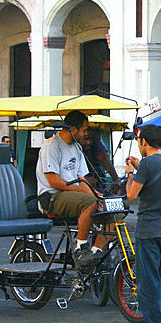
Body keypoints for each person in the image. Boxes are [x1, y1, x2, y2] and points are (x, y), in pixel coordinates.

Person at [124, 124, 161, 323]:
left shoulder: (146, 164)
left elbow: (131, 195)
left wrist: (130, 174)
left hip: (148, 227)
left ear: (144, 142)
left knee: (148, 280)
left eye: (139, 141)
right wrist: (140, 169)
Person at [36, 111, 104, 270]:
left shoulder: (76, 148)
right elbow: (54, 181)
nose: (87, 134)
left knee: (114, 210)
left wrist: (97, 194)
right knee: (90, 203)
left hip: (73, 195)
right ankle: (81, 249)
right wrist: (88, 195)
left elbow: (83, 179)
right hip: (52, 196)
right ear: (73, 129)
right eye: (84, 130)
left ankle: (94, 254)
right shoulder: (51, 146)